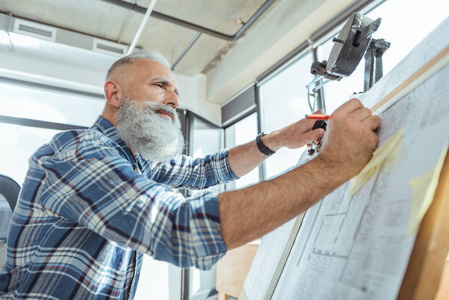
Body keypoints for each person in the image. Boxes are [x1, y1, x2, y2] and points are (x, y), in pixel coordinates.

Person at [0, 50, 380, 299]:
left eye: (176, 90)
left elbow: (204, 170)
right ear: (114, 95)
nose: (175, 100)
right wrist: (332, 165)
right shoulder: (78, 152)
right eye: (160, 85)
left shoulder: (139, 161)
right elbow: (179, 228)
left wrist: (277, 140)